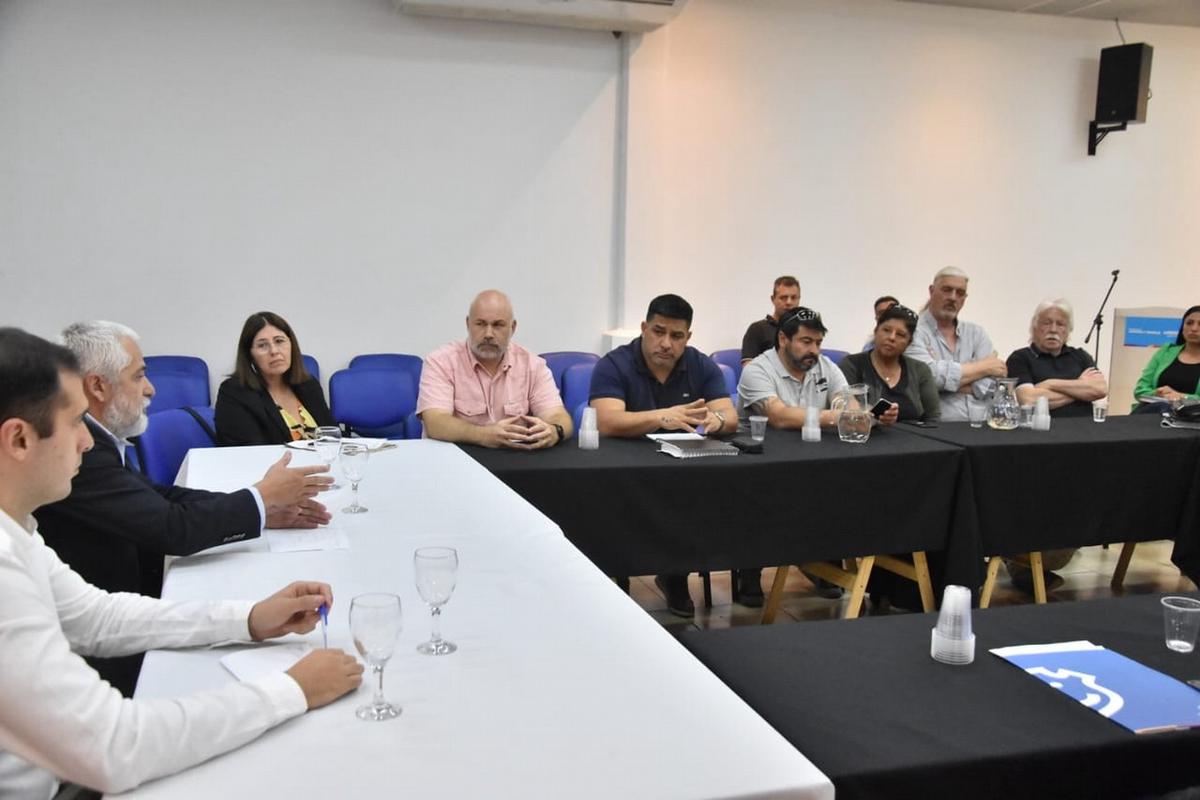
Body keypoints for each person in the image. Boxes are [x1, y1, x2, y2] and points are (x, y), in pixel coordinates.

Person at [0, 327, 363, 797]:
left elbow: (96, 617)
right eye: (74, 423)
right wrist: (293, 690)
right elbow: (115, 746)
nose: (87, 443)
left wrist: (249, 617)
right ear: (20, 440)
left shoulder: (16, 529)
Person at [35, 321, 334, 696]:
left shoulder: (88, 452)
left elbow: (158, 498)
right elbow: (170, 527)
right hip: (105, 663)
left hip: (121, 618)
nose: (151, 389)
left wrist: (261, 511)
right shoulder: (84, 457)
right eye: (140, 375)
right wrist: (260, 496)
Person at [590, 294, 735, 617]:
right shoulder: (614, 364)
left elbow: (729, 414)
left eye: (677, 336)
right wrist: (660, 416)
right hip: (624, 469)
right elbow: (606, 420)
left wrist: (717, 421)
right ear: (643, 328)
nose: (666, 343)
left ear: (688, 337)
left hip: (685, 473)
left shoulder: (700, 364)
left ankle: (676, 574)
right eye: (658, 332)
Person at [737, 306, 872, 602]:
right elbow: (779, 417)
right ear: (783, 339)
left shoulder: (824, 366)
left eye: (818, 343)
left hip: (813, 458)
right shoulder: (758, 370)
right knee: (759, 494)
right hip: (763, 461)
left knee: (841, 486)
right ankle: (749, 571)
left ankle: (821, 563)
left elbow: (848, 404)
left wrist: (855, 413)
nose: (814, 350)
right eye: (806, 342)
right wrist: (835, 417)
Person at [418, 290, 573, 449]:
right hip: (455, 460)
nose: (488, 334)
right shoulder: (440, 362)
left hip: (515, 461)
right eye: (480, 324)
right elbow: (435, 422)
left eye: (498, 325)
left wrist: (554, 431)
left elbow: (558, 416)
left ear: (512, 327)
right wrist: (484, 435)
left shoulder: (533, 365)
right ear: (468, 324)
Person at [215, 311, 334, 446]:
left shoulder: (308, 384)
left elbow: (332, 435)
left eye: (279, 341)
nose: (274, 351)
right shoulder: (235, 392)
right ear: (250, 355)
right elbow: (246, 451)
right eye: (262, 345)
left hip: (324, 465)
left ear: (291, 345)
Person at [906, 266, 1007, 422]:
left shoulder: (976, 333)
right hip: (935, 428)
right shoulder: (912, 332)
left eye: (960, 293)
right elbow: (927, 378)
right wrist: (984, 367)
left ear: (964, 299)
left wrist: (944, 387)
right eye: (947, 290)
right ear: (932, 291)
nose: (953, 297)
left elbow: (994, 383)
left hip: (981, 425)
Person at [1006, 299, 1108, 418]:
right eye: (1047, 323)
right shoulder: (1020, 358)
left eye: (1060, 324)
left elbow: (1100, 389)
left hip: (1084, 431)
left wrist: (1050, 384)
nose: (1053, 329)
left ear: (1068, 331)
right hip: (1040, 431)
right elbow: (1029, 400)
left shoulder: (1080, 356)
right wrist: (1080, 388)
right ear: (1034, 328)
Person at [840, 304, 941, 423]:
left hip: (915, 439)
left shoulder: (920, 370)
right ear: (876, 331)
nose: (892, 338)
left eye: (900, 334)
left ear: (909, 342)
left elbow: (933, 418)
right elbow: (843, 410)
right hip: (867, 437)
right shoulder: (852, 364)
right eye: (886, 330)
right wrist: (874, 417)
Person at [1132, 304, 1200, 411]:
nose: (1194, 328)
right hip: (1152, 413)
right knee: (1162, 407)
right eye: (1189, 323)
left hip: (1191, 418)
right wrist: (1157, 393)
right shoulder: (1165, 351)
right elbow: (1140, 391)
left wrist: (1181, 397)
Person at [740, 276, 801, 364]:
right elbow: (748, 369)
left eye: (794, 297)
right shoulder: (757, 329)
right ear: (773, 299)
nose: (789, 302)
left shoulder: (804, 330)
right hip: (767, 377)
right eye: (783, 297)